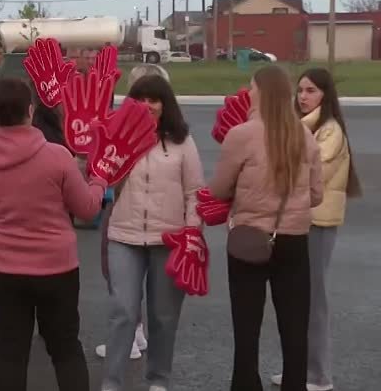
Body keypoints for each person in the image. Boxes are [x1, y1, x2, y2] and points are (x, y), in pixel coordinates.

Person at [0, 78, 107, 391]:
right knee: (65, 349)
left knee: (10, 353)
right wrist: (98, 182)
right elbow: (87, 209)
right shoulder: (58, 156)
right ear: (30, 111)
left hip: (6, 270)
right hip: (56, 269)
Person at [209, 65, 323, 391]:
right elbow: (316, 195)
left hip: (249, 238)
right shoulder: (305, 136)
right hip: (294, 240)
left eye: (251, 87)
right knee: (294, 327)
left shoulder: (241, 135)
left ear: (259, 92)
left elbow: (218, 189)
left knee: (247, 329)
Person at [101, 74, 205, 391]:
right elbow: (98, 179)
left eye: (154, 99)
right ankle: (112, 382)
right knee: (123, 312)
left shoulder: (181, 141)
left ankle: (158, 379)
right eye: (140, 99)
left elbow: (195, 192)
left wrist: (191, 232)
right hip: (124, 236)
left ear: (165, 104)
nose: (147, 105)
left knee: (163, 316)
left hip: (169, 239)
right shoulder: (117, 137)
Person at [270, 68, 361, 391]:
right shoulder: (301, 128)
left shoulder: (328, 131)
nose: (303, 96)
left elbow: (305, 172)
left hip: (318, 223)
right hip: (298, 222)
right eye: (300, 91)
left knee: (313, 301)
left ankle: (319, 375)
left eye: (310, 91)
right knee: (296, 301)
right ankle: (299, 370)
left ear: (325, 95)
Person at [95, 64, 169, 361]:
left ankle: (131, 334)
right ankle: (138, 331)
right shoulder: (174, 131)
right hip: (155, 214)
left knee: (120, 273)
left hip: (127, 213)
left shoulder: (128, 128)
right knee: (142, 279)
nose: (145, 104)